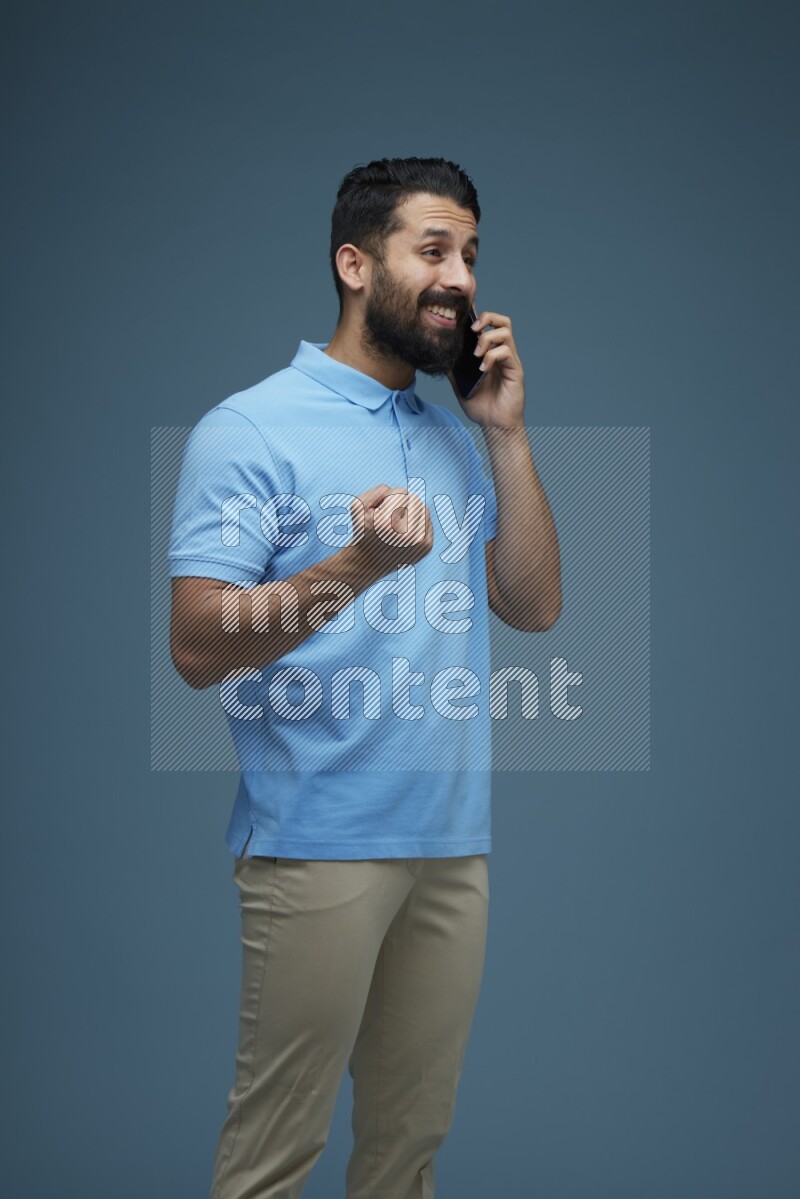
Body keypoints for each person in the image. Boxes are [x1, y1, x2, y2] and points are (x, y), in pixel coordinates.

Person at [168, 156, 561, 1199]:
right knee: (271, 1159)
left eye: (470, 255)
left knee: (405, 1155)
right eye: (431, 249)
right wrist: (357, 566)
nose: (459, 277)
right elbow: (199, 645)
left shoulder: (448, 436)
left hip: (449, 842)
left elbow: (532, 605)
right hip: (315, 842)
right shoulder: (247, 429)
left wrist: (506, 435)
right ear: (354, 263)